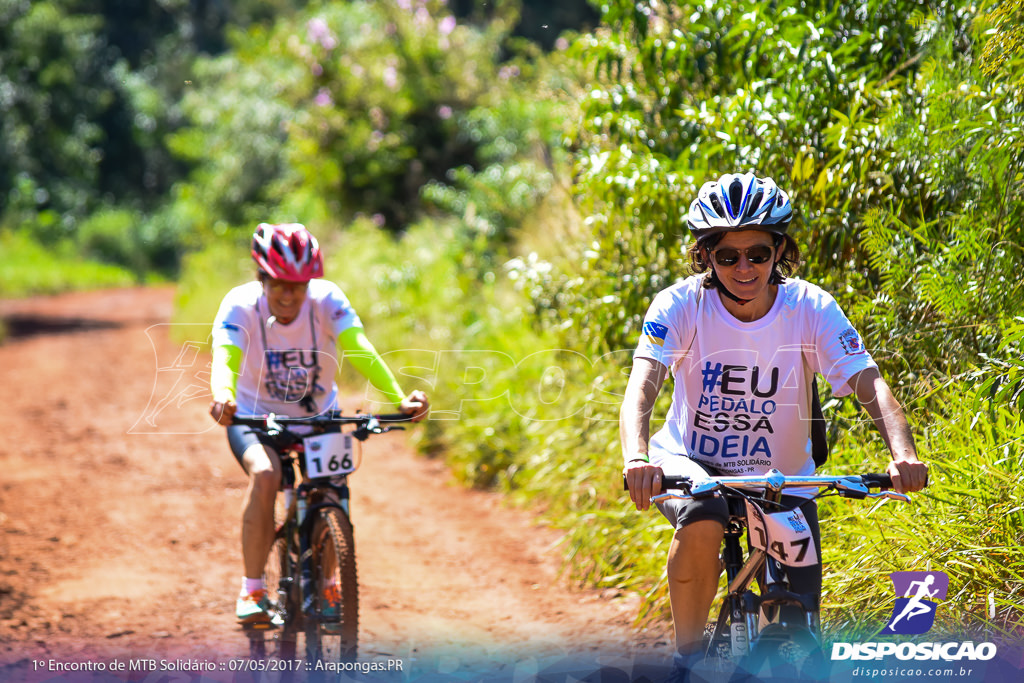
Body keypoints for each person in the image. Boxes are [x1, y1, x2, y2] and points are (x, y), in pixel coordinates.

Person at [619, 173, 928, 673]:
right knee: (703, 513)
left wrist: (903, 454)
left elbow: (869, 382)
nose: (744, 267)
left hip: (783, 481)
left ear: (779, 250)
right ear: (705, 258)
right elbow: (644, 384)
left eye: (758, 254)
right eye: (727, 256)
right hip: (688, 464)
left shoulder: (811, 307)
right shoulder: (680, 305)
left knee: (798, 627)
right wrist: (636, 457)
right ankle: (687, 659)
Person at [208, 222, 429, 625]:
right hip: (254, 416)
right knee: (265, 473)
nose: (289, 294)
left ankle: (327, 580)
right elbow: (224, 359)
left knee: (330, 489)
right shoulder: (239, 306)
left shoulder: (328, 300)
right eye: (279, 284)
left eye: (299, 285)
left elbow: (360, 350)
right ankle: (252, 589)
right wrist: (223, 396)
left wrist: (398, 397)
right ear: (261, 278)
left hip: (318, 414)